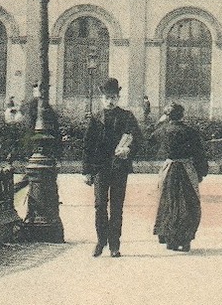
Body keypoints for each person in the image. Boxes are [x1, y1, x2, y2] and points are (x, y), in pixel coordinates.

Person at [83, 77, 142, 258]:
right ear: (102, 98)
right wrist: (87, 171)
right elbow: (87, 145)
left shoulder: (127, 117)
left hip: (119, 168)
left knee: (117, 207)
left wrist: (128, 150)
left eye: (114, 97)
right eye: (107, 97)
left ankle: (114, 245)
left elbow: (138, 139)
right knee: (100, 205)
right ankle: (101, 241)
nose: (110, 101)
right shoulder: (95, 118)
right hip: (100, 168)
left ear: (118, 97)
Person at [153, 102, 210, 252]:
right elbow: (199, 153)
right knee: (189, 203)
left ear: (167, 115)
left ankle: (170, 240)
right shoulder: (190, 132)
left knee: (169, 203)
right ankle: (185, 241)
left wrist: (159, 123)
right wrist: (201, 172)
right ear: (182, 115)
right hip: (187, 170)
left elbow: (150, 140)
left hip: (170, 169)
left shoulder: (162, 130)